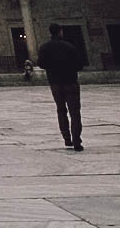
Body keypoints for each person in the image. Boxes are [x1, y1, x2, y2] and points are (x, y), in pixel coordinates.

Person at [37, 23, 84, 151]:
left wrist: (53, 68)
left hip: (55, 83)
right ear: (60, 32)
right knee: (75, 112)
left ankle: (67, 139)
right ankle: (77, 141)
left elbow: (41, 64)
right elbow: (79, 64)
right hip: (70, 82)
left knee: (61, 110)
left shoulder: (44, 47)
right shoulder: (69, 47)